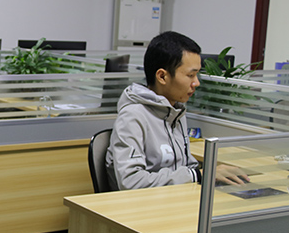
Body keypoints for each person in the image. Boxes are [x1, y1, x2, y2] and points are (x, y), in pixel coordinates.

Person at [106, 31, 249, 190]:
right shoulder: (132, 117)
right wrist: (198, 175)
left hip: (178, 197)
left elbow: (186, 166)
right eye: (190, 75)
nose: (196, 83)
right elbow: (131, 181)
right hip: (147, 203)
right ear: (162, 76)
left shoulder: (175, 112)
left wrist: (212, 176)